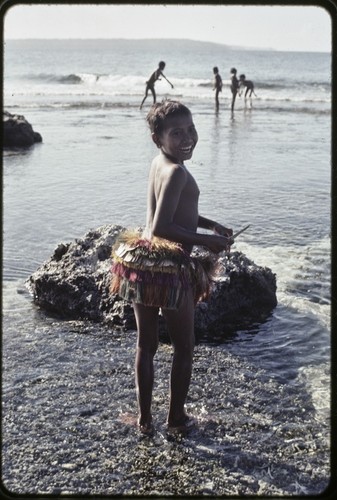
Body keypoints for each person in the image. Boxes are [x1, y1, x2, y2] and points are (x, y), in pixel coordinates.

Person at [111, 100, 233, 435]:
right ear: (157, 138)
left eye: (191, 129)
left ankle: (145, 420)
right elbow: (165, 226)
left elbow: (171, 212)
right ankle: (176, 419)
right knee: (184, 345)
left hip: (142, 264)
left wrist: (211, 225)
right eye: (176, 133)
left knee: (146, 344)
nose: (187, 138)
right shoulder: (178, 171)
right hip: (170, 271)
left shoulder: (160, 163)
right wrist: (207, 242)